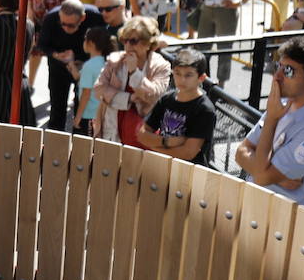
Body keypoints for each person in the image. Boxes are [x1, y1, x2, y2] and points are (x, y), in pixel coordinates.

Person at [234, 37, 304, 211]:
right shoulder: (284, 101)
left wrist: (271, 121)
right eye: (278, 67)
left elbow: (260, 176)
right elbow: (241, 152)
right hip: (258, 207)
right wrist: (276, 176)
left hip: (291, 220)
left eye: (288, 71)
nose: (277, 76)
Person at [91, 16, 171, 147]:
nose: (127, 45)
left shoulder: (161, 66)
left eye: (133, 41)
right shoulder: (115, 61)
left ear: (148, 43)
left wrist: (134, 72)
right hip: (112, 131)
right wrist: (128, 98)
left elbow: (153, 96)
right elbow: (99, 89)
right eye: (124, 40)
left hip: (144, 137)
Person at [137, 49, 218, 168]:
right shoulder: (166, 99)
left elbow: (188, 152)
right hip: (162, 168)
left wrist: (155, 148)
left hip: (189, 174)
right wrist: (166, 141)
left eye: (188, 75)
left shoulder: (204, 109)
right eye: (177, 73)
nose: (182, 80)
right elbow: (142, 135)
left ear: (201, 77)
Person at [37, 0, 104, 131]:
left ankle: (80, 143)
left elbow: (103, 44)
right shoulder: (51, 18)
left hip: (85, 66)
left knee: (83, 111)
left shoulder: (95, 17)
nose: (66, 28)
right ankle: (54, 145)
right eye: (63, 24)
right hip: (58, 67)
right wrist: (56, 55)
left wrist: (82, 62)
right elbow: (42, 45)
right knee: (57, 108)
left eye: (71, 25)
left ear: (83, 18)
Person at [73, 26, 110, 135]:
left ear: (91, 43)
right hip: (101, 113)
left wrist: (78, 117)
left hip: (88, 115)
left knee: (87, 147)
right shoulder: (105, 62)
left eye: (85, 39)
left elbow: (86, 93)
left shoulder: (89, 66)